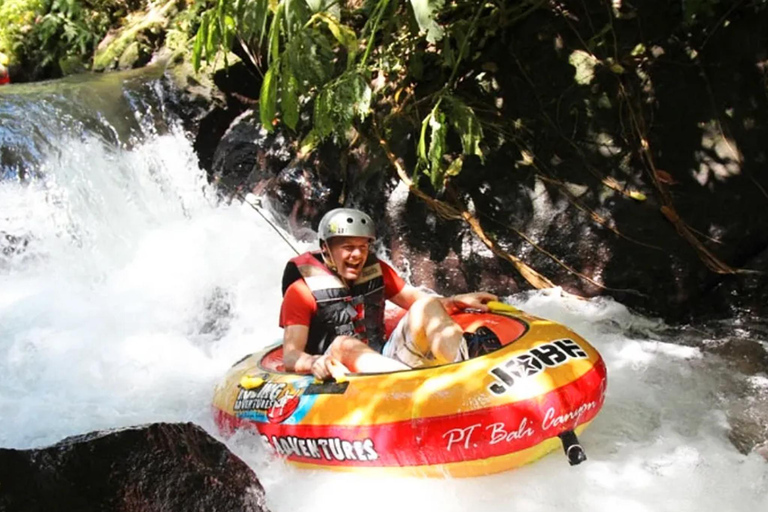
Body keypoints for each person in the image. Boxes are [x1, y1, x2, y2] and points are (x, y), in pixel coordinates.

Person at [280, 208, 498, 380]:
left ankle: (469, 369)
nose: (357, 255)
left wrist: (454, 301)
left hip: (383, 361)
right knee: (344, 344)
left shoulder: (376, 271)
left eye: (362, 247)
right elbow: (291, 356)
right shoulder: (300, 291)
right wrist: (313, 363)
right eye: (347, 247)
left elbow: (418, 302)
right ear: (326, 248)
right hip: (337, 369)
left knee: (426, 305)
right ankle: (416, 386)